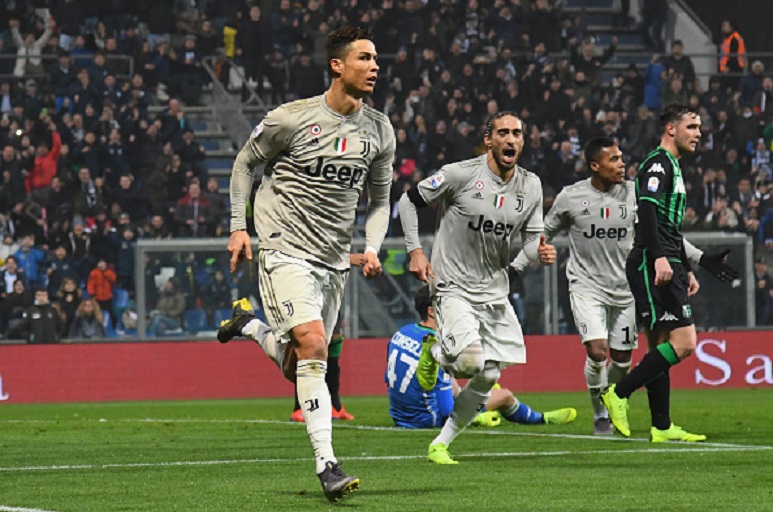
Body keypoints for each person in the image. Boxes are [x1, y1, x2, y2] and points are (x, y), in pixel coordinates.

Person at [218, 26, 394, 502]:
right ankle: (328, 464)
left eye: (376, 58)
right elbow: (243, 164)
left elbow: (381, 203)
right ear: (337, 65)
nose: (375, 65)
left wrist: (373, 247)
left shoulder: (379, 130)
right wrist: (239, 225)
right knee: (316, 344)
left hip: (335, 261)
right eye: (364, 58)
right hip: (282, 249)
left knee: (299, 360)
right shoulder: (290, 119)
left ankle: (251, 327)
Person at [511, 138, 736, 435]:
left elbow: (666, 234)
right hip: (586, 285)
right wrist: (529, 258)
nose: (623, 164)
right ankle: (600, 413)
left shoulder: (637, 194)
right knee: (596, 351)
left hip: (628, 286)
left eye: (621, 158)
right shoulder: (571, 196)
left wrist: (699, 260)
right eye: (614, 159)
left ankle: (616, 400)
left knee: (621, 358)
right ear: (595, 166)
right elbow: (542, 233)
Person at [397, 110, 557, 465]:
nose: (511, 139)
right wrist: (415, 251)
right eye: (503, 132)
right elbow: (408, 202)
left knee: (488, 375)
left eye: (517, 133)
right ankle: (435, 353)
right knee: (470, 362)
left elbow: (531, 240)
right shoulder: (460, 174)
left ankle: (441, 443)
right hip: (453, 285)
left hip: (494, 291)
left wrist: (539, 251)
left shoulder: (530, 186)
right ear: (489, 139)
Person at [602, 104, 738, 442]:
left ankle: (661, 426)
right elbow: (647, 209)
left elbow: (668, 225)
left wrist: (687, 265)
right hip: (652, 261)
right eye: (692, 126)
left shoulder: (673, 167)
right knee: (685, 342)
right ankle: (618, 393)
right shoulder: (657, 164)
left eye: (699, 127)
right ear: (671, 129)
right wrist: (662, 259)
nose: (698, 133)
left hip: (665, 261)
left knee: (660, 344)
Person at [387, 285, 576, 429]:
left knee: (469, 384)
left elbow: (389, 380)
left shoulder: (401, 333)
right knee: (505, 395)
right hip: (429, 419)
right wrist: (476, 416)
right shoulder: (439, 344)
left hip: (400, 416)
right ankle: (542, 418)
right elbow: (446, 412)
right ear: (431, 311)